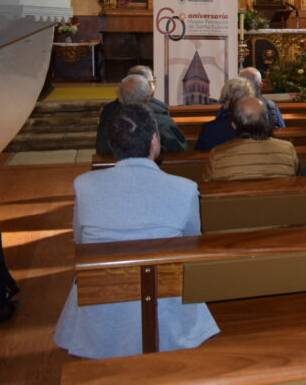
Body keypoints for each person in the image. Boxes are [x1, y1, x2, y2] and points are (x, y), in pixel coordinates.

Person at [54, 103, 218, 358]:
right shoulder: (185, 188)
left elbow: (80, 241)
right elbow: (192, 243)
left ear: (111, 143)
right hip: (167, 303)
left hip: (100, 305)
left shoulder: (85, 185)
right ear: (155, 141)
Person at [202, 97, 298, 182]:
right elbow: (296, 180)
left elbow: (207, 185)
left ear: (234, 125)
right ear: (267, 122)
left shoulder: (217, 155)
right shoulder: (287, 149)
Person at [95, 74, 186, 155]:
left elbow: (102, 149)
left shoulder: (111, 124)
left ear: (120, 99)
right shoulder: (165, 123)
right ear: (147, 99)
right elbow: (180, 152)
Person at [194, 77, 255, 151]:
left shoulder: (209, 128)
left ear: (224, 96)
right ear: (250, 98)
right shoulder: (257, 125)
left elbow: (198, 155)